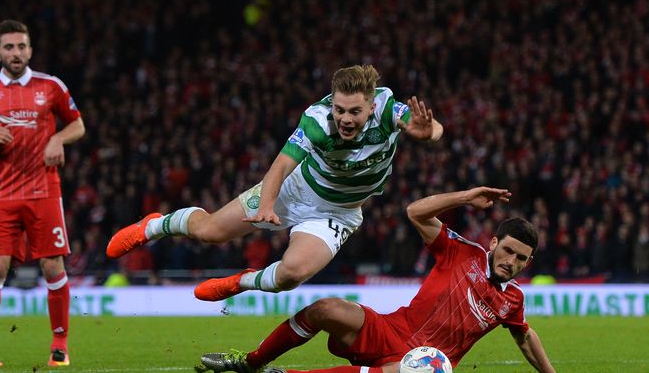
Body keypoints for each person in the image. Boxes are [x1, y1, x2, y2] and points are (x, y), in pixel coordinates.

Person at [107, 65, 443, 300]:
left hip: (338, 212)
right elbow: (281, 165)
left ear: (371, 104)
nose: (345, 119)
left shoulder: (387, 107)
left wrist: (429, 134)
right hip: (293, 190)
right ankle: (155, 226)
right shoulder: (316, 120)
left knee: (290, 276)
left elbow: (432, 127)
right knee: (209, 232)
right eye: (339, 109)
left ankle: (241, 282)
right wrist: (267, 204)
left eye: (354, 111)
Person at [199, 186, 556, 373]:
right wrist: (465, 197)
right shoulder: (462, 252)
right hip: (392, 328)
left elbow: (525, 337)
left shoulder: (513, 301)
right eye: (508, 251)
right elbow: (415, 212)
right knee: (326, 309)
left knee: (418, 371)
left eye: (521, 258)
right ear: (494, 243)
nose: (511, 262)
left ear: (529, 262)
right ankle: (251, 363)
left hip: (427, 362)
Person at [0, 20, 85, 368]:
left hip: (44, 191)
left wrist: (57, 138)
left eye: (21, 47)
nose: (16, 53)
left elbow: (78, 124)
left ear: (30, 50)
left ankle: (59, 345)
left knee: (52, 266)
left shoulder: (51, 86)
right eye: (9, 47)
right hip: (2, 196)